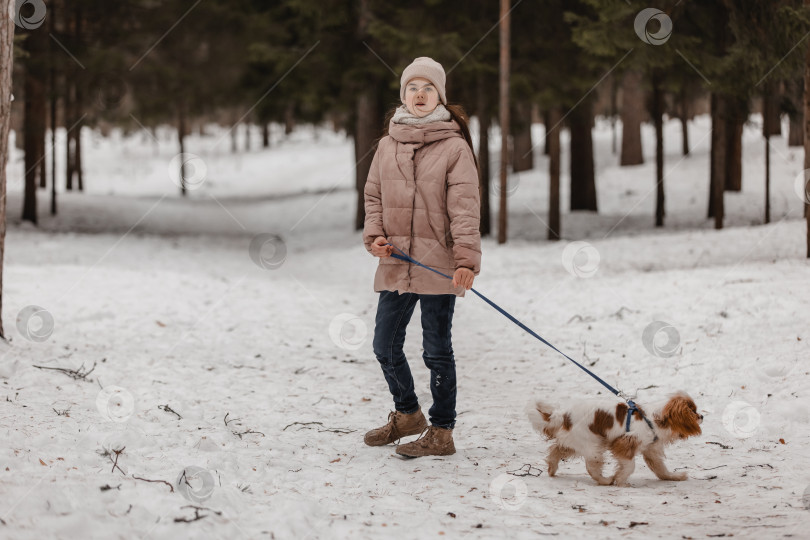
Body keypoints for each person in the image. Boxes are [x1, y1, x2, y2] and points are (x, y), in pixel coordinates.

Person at [362, 56, 482, 458]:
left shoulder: (454, 147)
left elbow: (465, 209)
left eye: (428, 88)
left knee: (436, 350)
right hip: (396, 261)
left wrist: (465, 261)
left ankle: (442, 432)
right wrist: (375, 235)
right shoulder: (386, 145)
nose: (419, 94)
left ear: (440, 97)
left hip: (438, 264)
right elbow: (374, 196)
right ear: (403, 95)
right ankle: (409, 414)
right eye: (412, 88)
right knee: (384, 345)